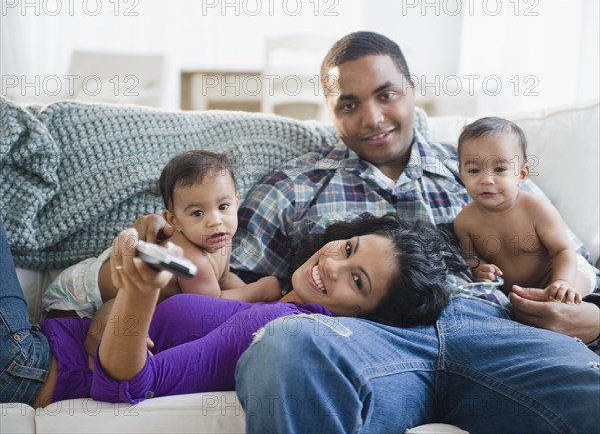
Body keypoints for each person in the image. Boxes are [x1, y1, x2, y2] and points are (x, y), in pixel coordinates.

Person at [134, 32, 600, 432]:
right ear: (330, 110)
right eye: (350, 103)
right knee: (286, 347)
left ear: (412, 89)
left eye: (386, 94)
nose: (373, 118)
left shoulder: (485, 168)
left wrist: (594, 322)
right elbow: (215, 278)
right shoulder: (294, 186)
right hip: (359, 340)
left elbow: (576, 264)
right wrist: (123, 317)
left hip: (492, 327)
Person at [1, 213, 465, 406]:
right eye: (347, 247)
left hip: (31, 368)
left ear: (366, 319)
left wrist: (138, 293)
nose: (332, 263)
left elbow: (128, 387)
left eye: (358, 280)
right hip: (34, 350)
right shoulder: (264, 298)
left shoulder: (280, 327)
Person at [99, 149, 280, 303]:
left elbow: (223, 280)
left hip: (123, 294)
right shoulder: (190, 257)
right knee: (107, 319)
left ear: (236, 201)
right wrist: (260, 291)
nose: (215, 221)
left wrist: (256, 296)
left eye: (223, 206)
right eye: (197, 213)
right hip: (89, 292)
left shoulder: (221, 238)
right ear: (173, 220)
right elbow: (212, 302)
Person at [454, 117, 595, 304]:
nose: (486, 179)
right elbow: (470, 257)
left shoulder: (538, 210)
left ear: (521, 174)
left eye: (499, 169)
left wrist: (562, 282)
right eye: (474, 171)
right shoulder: (464, 222)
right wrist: (480, 268)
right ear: (461, 174)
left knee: (565, 296)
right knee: (528, 310)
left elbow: (563, 250)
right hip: (521, 291)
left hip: (568, 270)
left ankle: (574, 304)